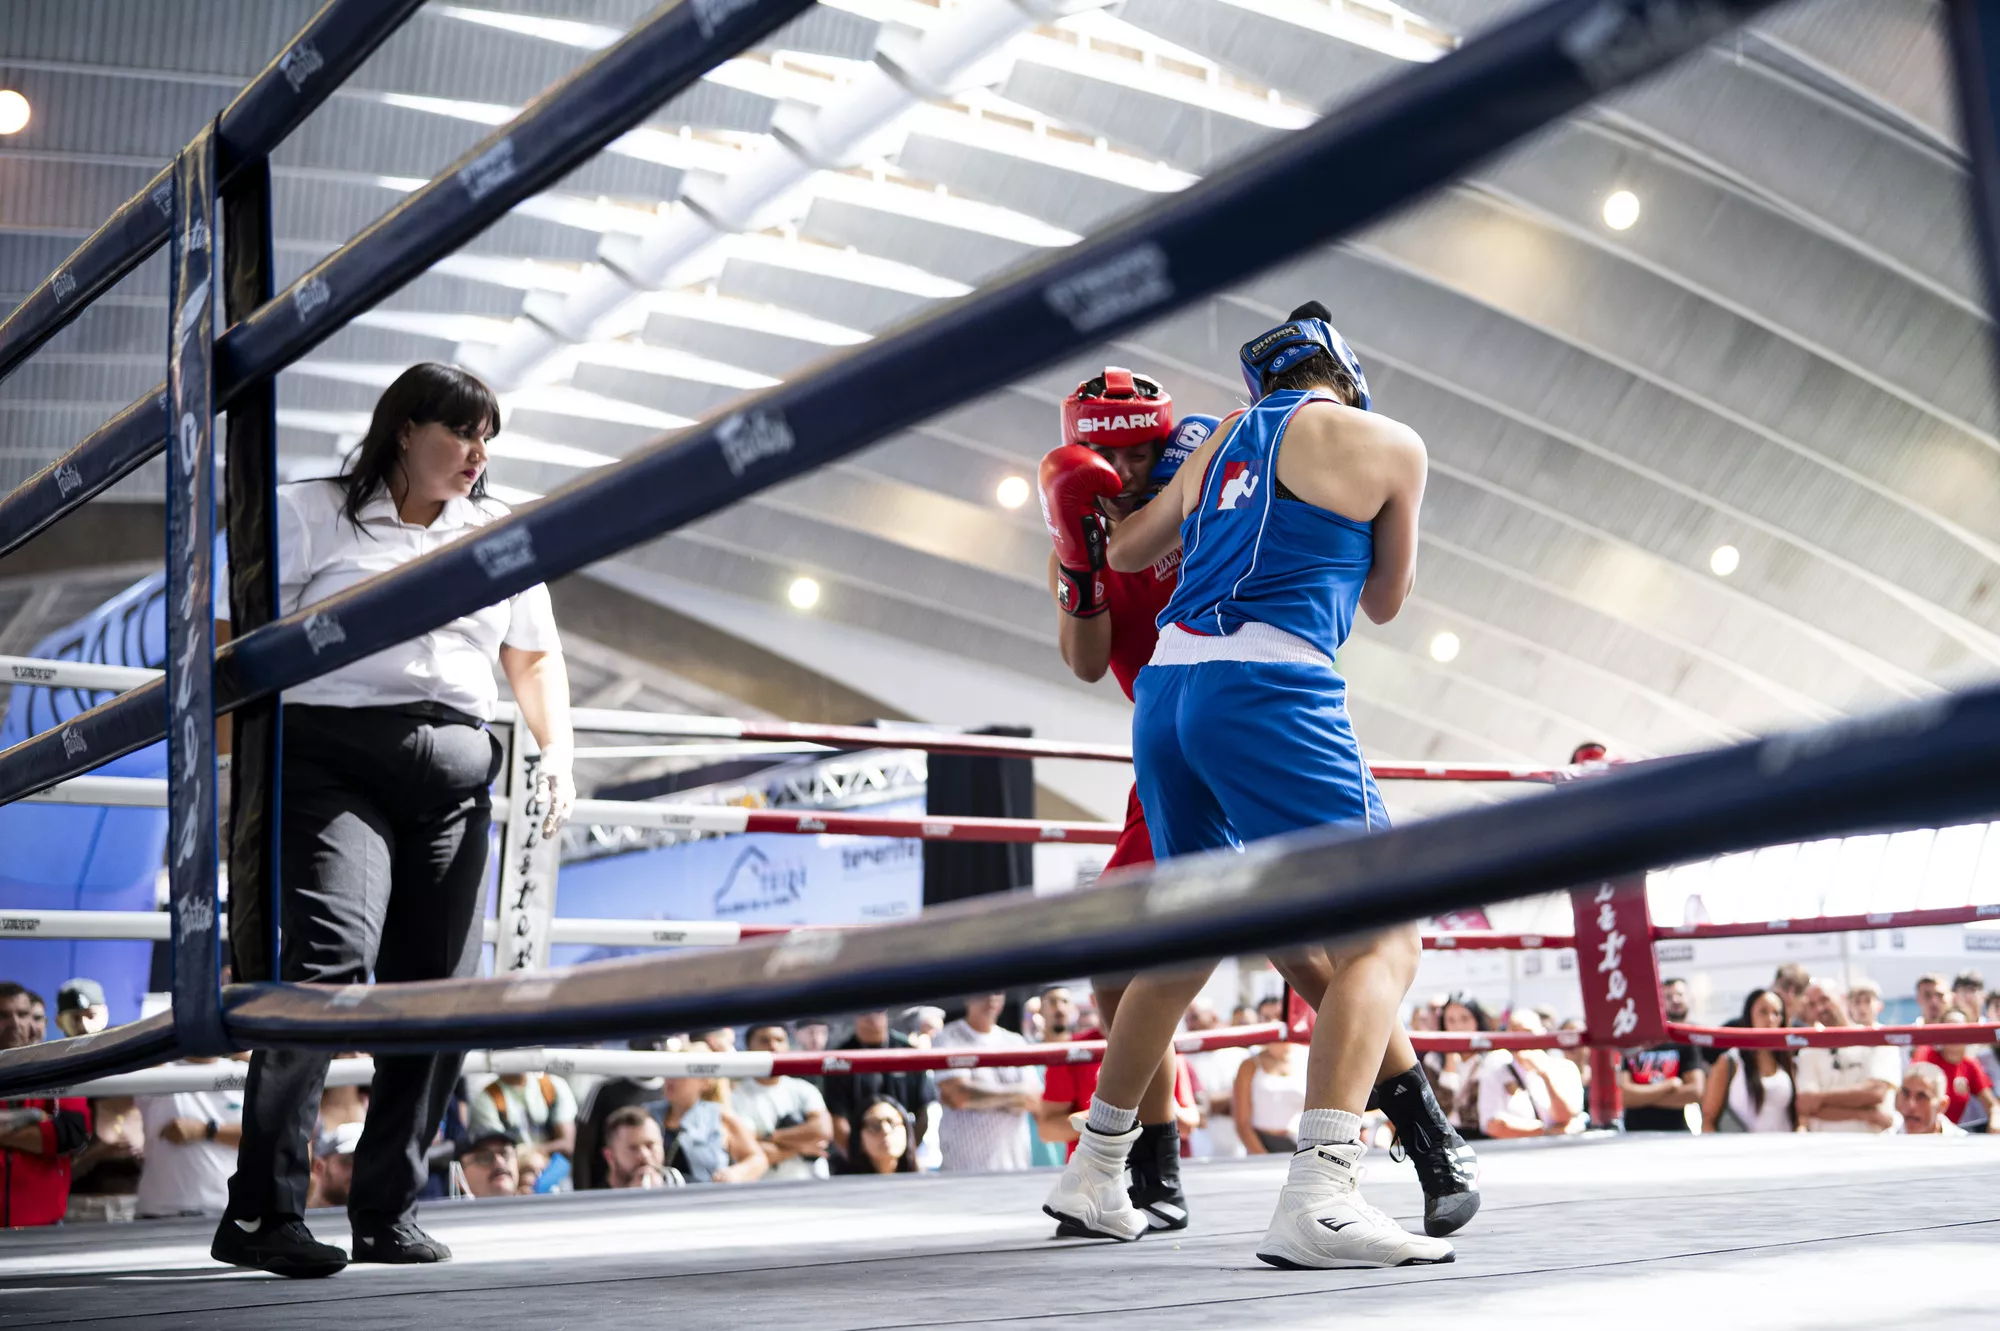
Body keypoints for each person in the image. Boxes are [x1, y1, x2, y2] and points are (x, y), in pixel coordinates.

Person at [1045, 303, 1468, 1268]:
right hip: (1269, 684)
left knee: (1192, 935)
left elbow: (1124, 552)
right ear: (1346, 378)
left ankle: (1097, 1166)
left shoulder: (1224, 441)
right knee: (1386, 931)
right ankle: (1323, 1189)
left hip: (1167, 692)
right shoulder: (1389, 440)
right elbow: (1387, 602)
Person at [215, 363, 575, 1278]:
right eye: (461, 433)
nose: (478, 454)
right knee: (328, 966)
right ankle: (261, 1211)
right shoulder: (308, 511)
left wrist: (558, 754)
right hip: (333, 757)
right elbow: (234, 643)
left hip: (455, 771)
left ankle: (386, 1208)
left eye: (488, 438)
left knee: (437, 990)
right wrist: (231, 771)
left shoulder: (497, 532)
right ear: (405, 429)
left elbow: (532, 660)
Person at [1038, 367, 1216, 1228]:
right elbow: (1083, 660)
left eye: (1141, 446)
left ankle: (1408, 1115)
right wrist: (1082, 558)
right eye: (1109, 451)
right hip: (1162, 750)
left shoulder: (1201, 489)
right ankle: (1157, 1157)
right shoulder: (1077, 534)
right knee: (1114, 954)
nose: (1126, 465)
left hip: (1226, 728)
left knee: (1307, 954)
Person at [0, 981, 90, 1228]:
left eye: (22, 1014)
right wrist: (34, 1119)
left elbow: (72, 1134)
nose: (16, 1024)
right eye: (3, 1015)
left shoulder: (58, 1069)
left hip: (45, 1225)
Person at [935, 993, 1042, 1173]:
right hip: (962, 1173)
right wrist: (1016, 1096)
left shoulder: (1016, 1042)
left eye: (998, 991)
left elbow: (1034, 1099)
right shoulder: (947, 1038)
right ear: (967, 996)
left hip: (1014, 1170)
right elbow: (960, 1095)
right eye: (984, 990)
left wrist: (978, 1096)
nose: (991, 997)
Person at [821, 1011, 936, 1169]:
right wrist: (858, 1157)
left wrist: (907, 1151)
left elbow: (923, 1110)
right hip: (855, 1161)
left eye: (878, 1008)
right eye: (865, 1008)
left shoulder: (909, 1052)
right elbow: (837, 1119)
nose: (871, 1015)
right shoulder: (839, 1059)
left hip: (906, 1154)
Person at [136, 1057, 245, 1217]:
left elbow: (263, 1136)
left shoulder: (242, 1072)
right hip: (160, 1212)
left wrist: (205, 1131)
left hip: (225, 1211)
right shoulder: (159, 1071)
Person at [731, 1024, 834, 1181]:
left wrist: (769, 1137)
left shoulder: (804, 1089)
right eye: (764, 1041)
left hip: (814, 1187)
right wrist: (802, 1147)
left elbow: (822, 1130)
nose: (773, 1046)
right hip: (765, 1192)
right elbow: (747, 1152)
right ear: (749, 1048)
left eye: (779, 1040)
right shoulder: (736, 1097)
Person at [1794, 977, 1897, 1133]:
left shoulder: (1879, 1040)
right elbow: (1806, 1105)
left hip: (1873, 1149)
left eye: (1825, 999)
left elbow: (1875, 1093)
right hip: (1825, 1149)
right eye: (1812, 1004)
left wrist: (1820, 1099)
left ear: (1842, 998)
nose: (1820, 1008)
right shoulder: (1808, 1051)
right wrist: (1866, 1113)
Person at [1700, 989, 1797, 1133]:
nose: (1770, 1019)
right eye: (1763, 1012)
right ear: (1749, 1015)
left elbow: (1797, 1116)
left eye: (1777, 1013)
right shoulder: (1730, 1061)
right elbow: (1708, 1119)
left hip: (1785, 1149)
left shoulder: (1787, 1060)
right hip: (1742, 1151)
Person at [1475, 1011, 1583, 1139]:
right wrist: (1548, 1131)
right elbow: (1494, 1125)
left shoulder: (1564, 1067)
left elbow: (1565, 1116)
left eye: (1528, 1032)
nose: (1522, 1040)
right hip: (1515, 1154)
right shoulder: (1494, 1070)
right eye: (1516, 1033)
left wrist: (1545, 1075)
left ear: (1542, 1032)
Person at [1620, 978, 1705, 1133]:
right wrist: (1669, 1086)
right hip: (1632, 1135)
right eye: (1668, 996)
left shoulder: (1686, 1040)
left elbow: (1694, 1092)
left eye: (1680, 994)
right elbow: (1624, 1096)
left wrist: (1641, 1097)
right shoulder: (1632, 1041)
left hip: (1676, 1134)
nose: (1675, 1000)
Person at [465, 1070, 577, 1181]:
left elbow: (567, 1145)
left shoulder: (553, 1085)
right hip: (514, 1179)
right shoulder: (486, 1098)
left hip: (557, 1173)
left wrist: (532, 1155)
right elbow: (497, 1154)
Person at [660, 1072, 766, 1185]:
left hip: (705, 1197)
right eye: (669, 1072)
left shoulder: (719, 1117)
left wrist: (733, 1174)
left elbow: (758, 1160)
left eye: (680, 1074)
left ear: (704, 1082)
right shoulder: (649, 1114)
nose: (670, 1080)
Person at [1911, 1011, 1997, 1131]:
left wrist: (1995, 1121)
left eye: (1960, 1030)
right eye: (1950, 1030)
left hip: (1948, 1135)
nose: (1955, 1035)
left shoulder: (1970, 1065)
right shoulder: (1925, 1054)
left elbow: (1992, 1104)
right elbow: (1913, 1096)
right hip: (1918, 1130)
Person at [1233, 1040, 1308, 1153]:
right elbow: (1242, 1122)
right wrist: (1262, 1156)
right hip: (1263, 1144)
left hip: (1301, 1145)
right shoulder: (1249, 1066)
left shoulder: (1307, 1058)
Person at [837, 1097, 922, 1175]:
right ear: (859, 1138)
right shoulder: (842, 1183)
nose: (885, 1130)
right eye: (874, 1125)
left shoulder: (924, 1181)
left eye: (891, 1122)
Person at [600, 1106, 672, 1189]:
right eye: (633, 1148)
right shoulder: (592, 1199)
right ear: (610, 1156)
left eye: (650, 1145)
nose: (644, 1154)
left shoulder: (685, 1188)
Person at [1896, 1063, 1967, 1136]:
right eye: (1905, 1094)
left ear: (1942, 1105)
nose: (1911, 1105)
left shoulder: (1963, 1143)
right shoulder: (1887, 1140)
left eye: (1922, 1097)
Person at [307, 1122, 360, 1209]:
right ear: (319, 1167)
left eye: (367, 1161)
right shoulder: (293, 1216)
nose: (360, 1170)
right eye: (349, 1160)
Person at [458, 1131, 522, 1199]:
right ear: (458, 1177)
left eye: (505, 1153)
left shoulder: (533, 1207)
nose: (500, 1162)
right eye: (484, 1157)